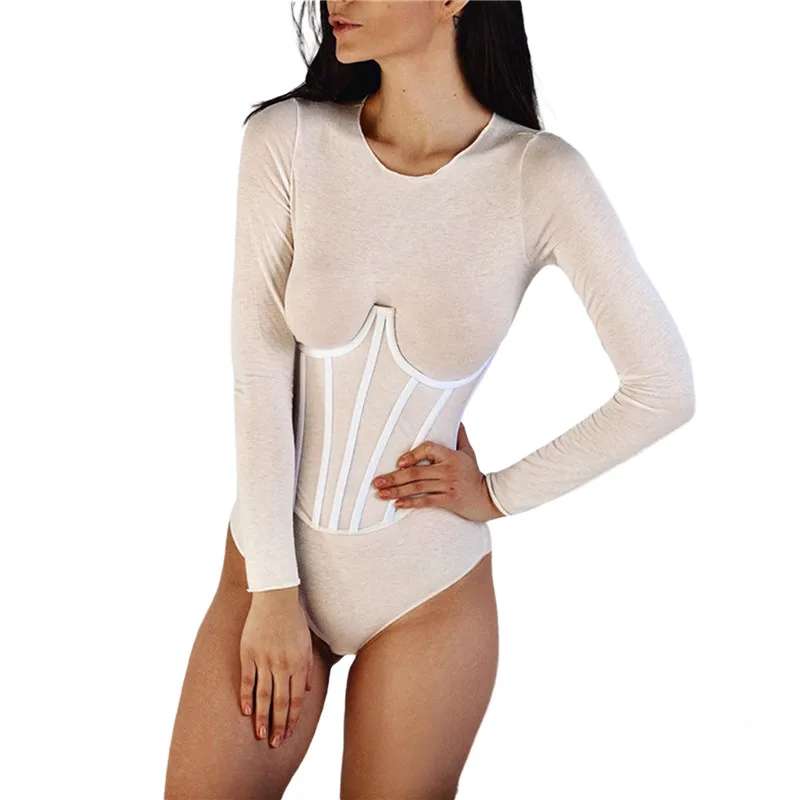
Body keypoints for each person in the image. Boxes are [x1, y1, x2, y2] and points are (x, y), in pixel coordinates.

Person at [165, 2, 695, 797]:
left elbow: (662, 388)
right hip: (266, 566)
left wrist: (497, 493)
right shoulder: (287, 139)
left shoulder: (538, 176)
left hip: (426, 594)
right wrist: (273, 592)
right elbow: (258, 376)